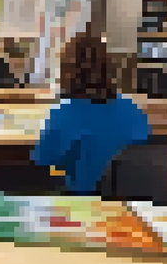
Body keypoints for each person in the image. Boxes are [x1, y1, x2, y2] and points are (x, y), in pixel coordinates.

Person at [31, 33, 152, 195]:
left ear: (67, 72)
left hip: (85, 203)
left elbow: (43, 160)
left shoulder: (64, 114)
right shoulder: (133, 110)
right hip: (129, 205)